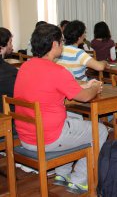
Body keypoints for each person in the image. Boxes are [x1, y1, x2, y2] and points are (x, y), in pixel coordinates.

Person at [13, 23, 107, 194]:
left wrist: (83, 85)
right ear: (54, 45)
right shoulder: (56, 70)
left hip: (26, 136)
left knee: (73, 121)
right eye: (61, 42)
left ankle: (62, 175)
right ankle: (79, 180)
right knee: (100, 130)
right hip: (48, 138)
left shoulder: (25, 67)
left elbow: (54, 88)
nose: (63, 45)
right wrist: (95, 87)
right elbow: (85, 97)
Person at [0, 27, 18, 111]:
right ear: (2, 48)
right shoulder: (10, 72)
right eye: (10, 42)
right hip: (7, 118)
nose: (11, 46)